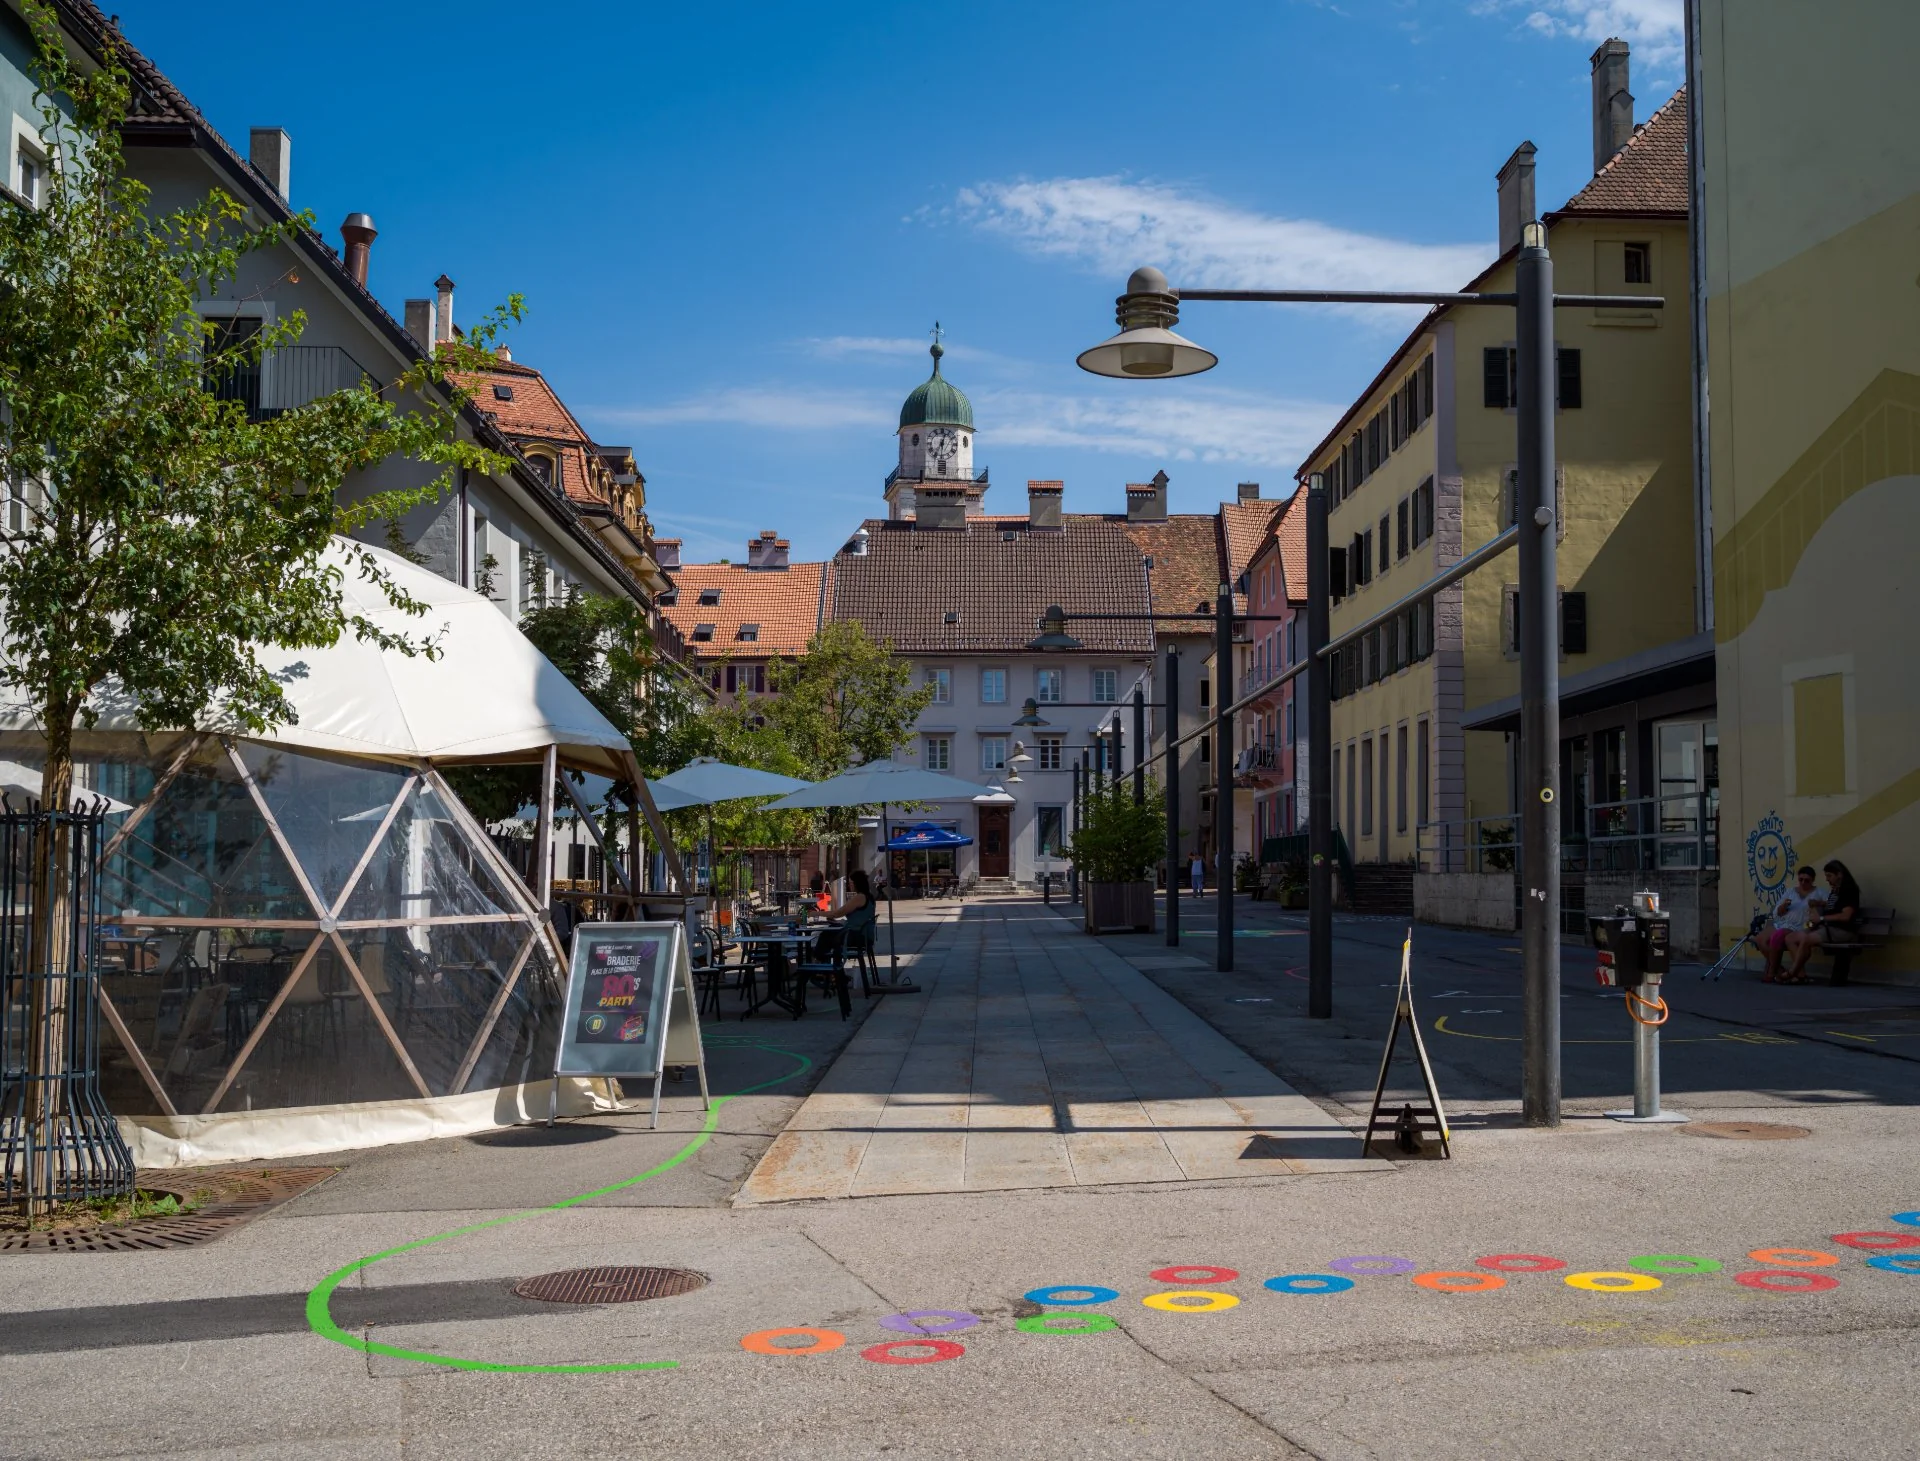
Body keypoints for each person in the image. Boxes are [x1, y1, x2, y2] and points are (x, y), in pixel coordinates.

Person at [1782, 859, 1863, 983]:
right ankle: (1801, 973)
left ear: (1839, 874)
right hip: (1824, 926)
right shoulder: (1836, 889)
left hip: (1840, 930)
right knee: (1790, 938)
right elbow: (1834, 906)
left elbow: (1845, 916)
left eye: (1829, 876)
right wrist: (1819, 903)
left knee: (1806, 939)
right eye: (1826, 876)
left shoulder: (1849, 891)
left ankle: (1793, 972)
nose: (1827, 879)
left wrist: (1820, 918)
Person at [1761, 866, 1821, 983]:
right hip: (1783, 923)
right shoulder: (1791, 891)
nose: (1803, 883)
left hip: (1801, 926)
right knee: (1759, 940)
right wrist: (1783, 907)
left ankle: (1772, 972)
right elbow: (1777, 912)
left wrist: (1817, 904)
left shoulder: (1820, 893)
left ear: (1813, 880)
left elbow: (1827, 907)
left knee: (1778, 936)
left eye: (1807, 880)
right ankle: (1779, 970)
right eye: (1801, 879)